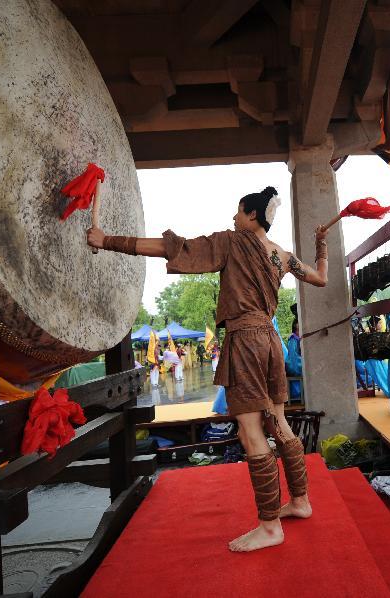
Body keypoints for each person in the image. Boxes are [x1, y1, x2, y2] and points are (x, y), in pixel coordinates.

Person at [88, 185, 328, 552]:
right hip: (270, 340)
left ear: (251, 216)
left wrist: (108, 241)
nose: (233, 218)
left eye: (237, 212)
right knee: (279, 422)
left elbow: (177, 249)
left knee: (251, 433)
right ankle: (300, 501)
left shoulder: (234, 241)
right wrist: (321, 246)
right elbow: (320, 277)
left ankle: (269, 527)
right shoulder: (282, 255)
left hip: (246, 340)